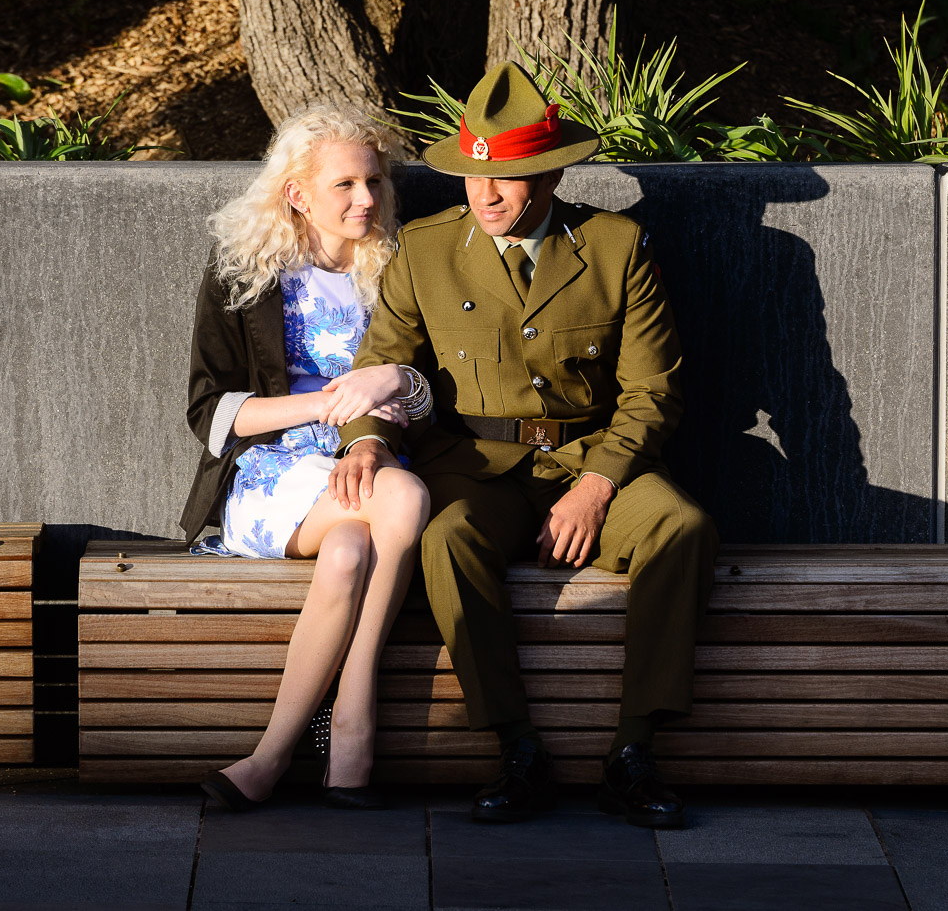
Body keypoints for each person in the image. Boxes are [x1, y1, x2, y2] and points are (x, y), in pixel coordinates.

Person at [332, 62, 719, 829]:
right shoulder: (428, 250)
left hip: (592, 456)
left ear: (549, 175)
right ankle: (517, 749)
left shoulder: (615, 247)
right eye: (476, 175)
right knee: (448, 538)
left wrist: (599, 485)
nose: (486, 194)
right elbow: (381, 365)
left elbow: (653, 392)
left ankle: (634, 751)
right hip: (478, 468)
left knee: (682, 527)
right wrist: (368, 442)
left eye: (507, 178)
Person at [179, 105, 432, 811]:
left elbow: (428, 392)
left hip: (367, 466)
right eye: (346, 185)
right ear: (297, 193)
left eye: (375, 181)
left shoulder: (400, 265)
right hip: (272, 473)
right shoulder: (245, 272)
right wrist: (330, 403)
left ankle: (268, 758)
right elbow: (212, 413)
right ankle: (353, 719)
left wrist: (392, 394)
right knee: (405, 501)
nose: (368, 200)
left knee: (351, 552)